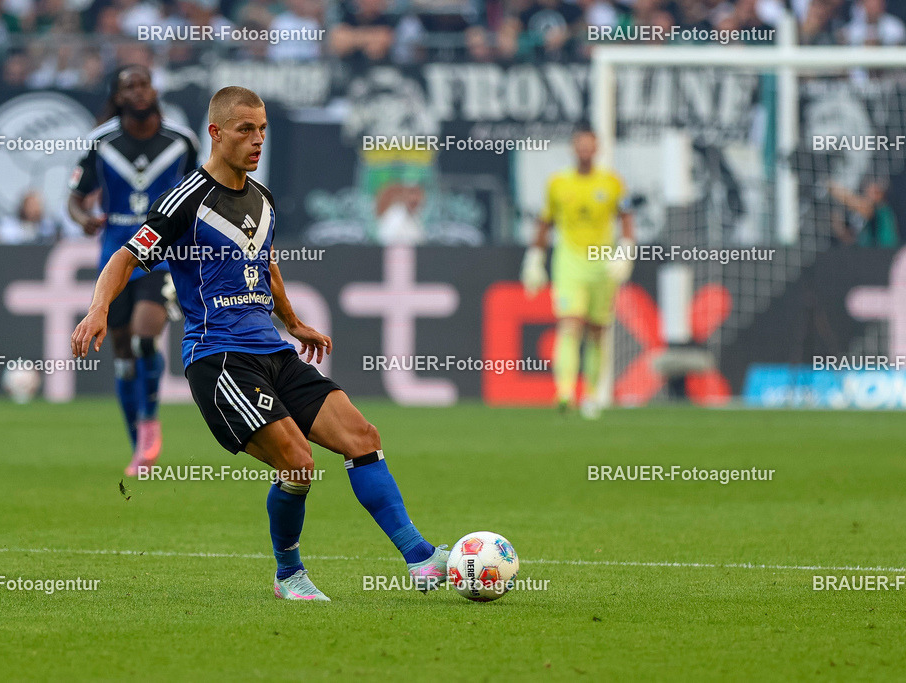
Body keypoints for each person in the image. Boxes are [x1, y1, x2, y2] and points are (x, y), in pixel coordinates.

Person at [71, 86, 448, 601]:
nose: (257, 140)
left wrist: (292, 322)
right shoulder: (186, 201)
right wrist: (98, 309)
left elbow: (263, 265)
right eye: (245, 129)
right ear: (216, 132)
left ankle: (421, 558)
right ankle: (288, 573)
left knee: (362, 436)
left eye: (263, 130)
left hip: (272, 350)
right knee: (298, 463)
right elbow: (125, 256)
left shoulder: (263, 200)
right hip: (218, 358)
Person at [68, 64, 200, 476]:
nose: (139, 92)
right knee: (123, 354)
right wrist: (81, 217)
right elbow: (75, 195)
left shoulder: (182, 141)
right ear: (119, 96)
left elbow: (202, 192)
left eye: (144, 84)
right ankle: (137, 442)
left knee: (146, 338)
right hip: (116, 257)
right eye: (129, 87)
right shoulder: (100, 141)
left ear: (154, 89)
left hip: (162, 255)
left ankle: (150, 422)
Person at [521, 125, 634, 418]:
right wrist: (535, 257)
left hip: (601, 262)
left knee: (597, 331)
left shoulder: (612, 183)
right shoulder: (558, 183)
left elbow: (625, 220)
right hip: (569, 261)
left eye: (589, 145)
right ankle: (565, 393)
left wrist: (625, 252)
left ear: (597, 149)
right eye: (579, 145)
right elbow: (546, 222)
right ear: (573, 148)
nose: (584, 150)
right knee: (569, 324)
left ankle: (593, 395)